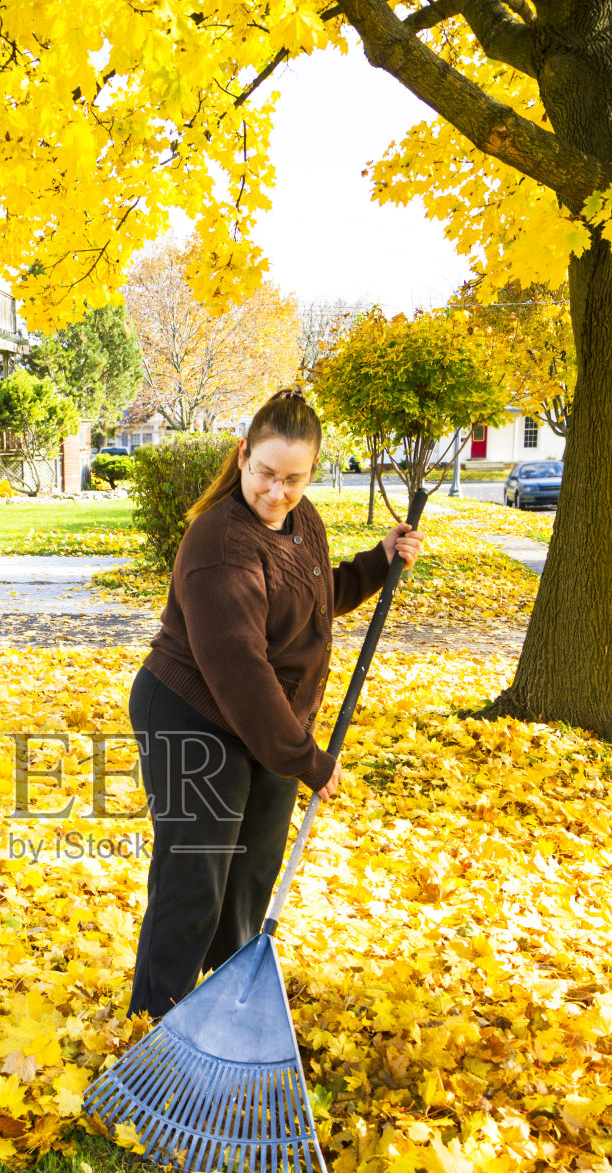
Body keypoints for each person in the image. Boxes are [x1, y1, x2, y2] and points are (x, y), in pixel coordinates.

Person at [127, 387, 424, 1022]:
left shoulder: (302, 519)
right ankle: (156, 1021)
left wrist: (378, 563)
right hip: (193, 713)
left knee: (250, 877)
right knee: (195, 880)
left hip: (266, 722)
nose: (277, 492)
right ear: (242, 456)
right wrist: (305, 758)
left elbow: (312, 599)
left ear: (311, 473)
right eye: (265, 473)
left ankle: (223, 1008)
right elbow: (240, 669)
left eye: (294, 479)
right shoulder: (220, 544)